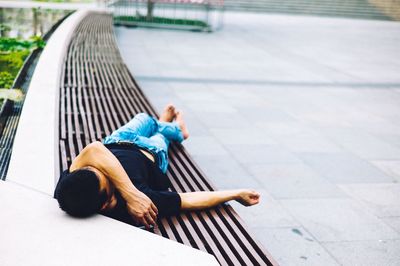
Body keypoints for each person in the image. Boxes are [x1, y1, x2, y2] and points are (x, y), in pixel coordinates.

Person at [55, 104, 260, 228]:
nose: (105, 169)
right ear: (105, 204)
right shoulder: (140, 204)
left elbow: (95, 149)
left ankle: (166, 124)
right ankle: (177, 130)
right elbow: (187, 200)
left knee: (144, 118)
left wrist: (128, 191)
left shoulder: (69, 186)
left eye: (95, 169)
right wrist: (235, 194)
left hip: (117, 139)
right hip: (152, 152)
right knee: (161, 136)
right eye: (107, 179)